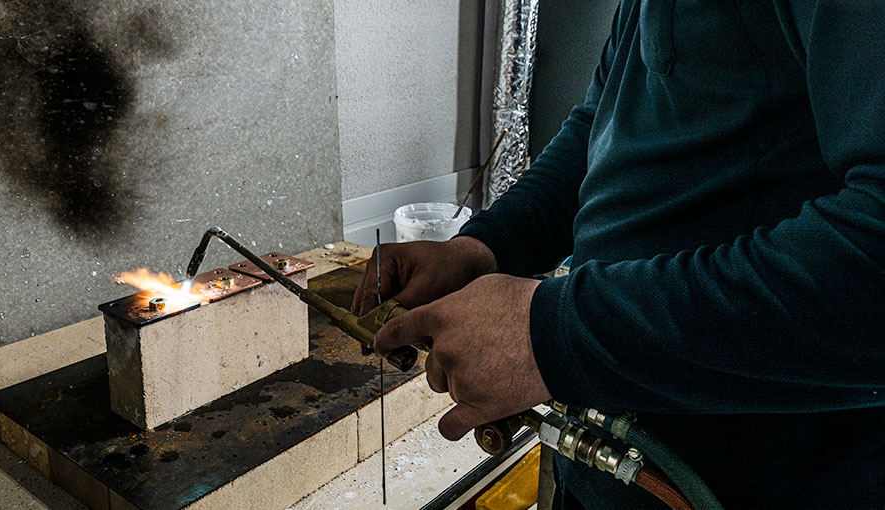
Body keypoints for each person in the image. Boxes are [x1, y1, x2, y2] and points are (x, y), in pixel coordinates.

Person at [351, 1, 885, 508]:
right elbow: (601, 125)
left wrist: (558, 333)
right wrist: (486, 245)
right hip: (618, 465)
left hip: (760, 480)